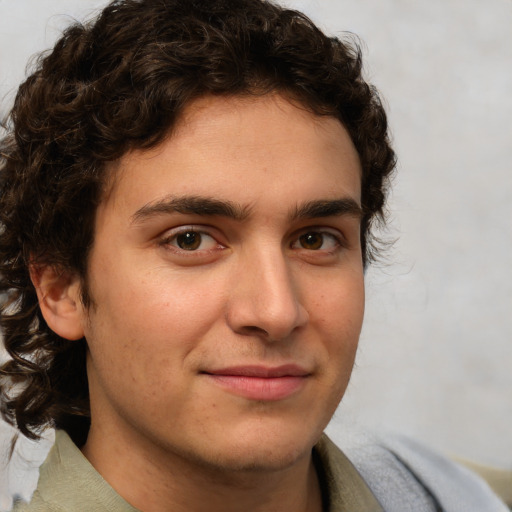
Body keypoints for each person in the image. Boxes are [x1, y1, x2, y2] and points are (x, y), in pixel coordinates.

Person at [0, 0, 507, 511]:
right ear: (60, 288)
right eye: (190, 240)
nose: (276, 311)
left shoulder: (454, 495)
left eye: (315, 239)